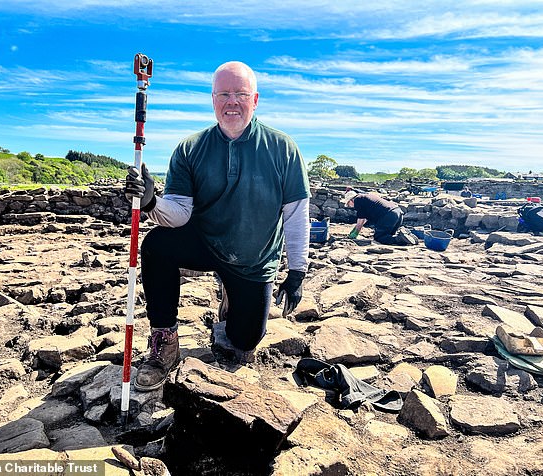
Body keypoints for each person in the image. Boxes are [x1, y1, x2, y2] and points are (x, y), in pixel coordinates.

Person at [124, 61, 310, 392]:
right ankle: (164, 340)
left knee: (242, 343)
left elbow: (296, 212)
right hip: (205, 241)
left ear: (255, 99)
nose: (232, 102)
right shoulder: (190, 148)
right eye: (224, 94)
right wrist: (152, 202)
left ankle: (232, 297)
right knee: (156, 246)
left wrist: (296, 272)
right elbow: (179, 213)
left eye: (240, 94)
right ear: (213, 99)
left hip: (253, 259)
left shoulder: (283, 148)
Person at [343, 191, 418, 245]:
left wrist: (355, 233)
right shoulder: (365, 197)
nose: (349, 206)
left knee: (379, 237)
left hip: (389, 215)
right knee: (388, 235)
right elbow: (364, 220)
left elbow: (361, 220)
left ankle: (400, 238)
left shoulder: (358, 201)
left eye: (348, 204)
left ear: (351, 200)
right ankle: (406, 236)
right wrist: (355, 228)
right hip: (398, 212)